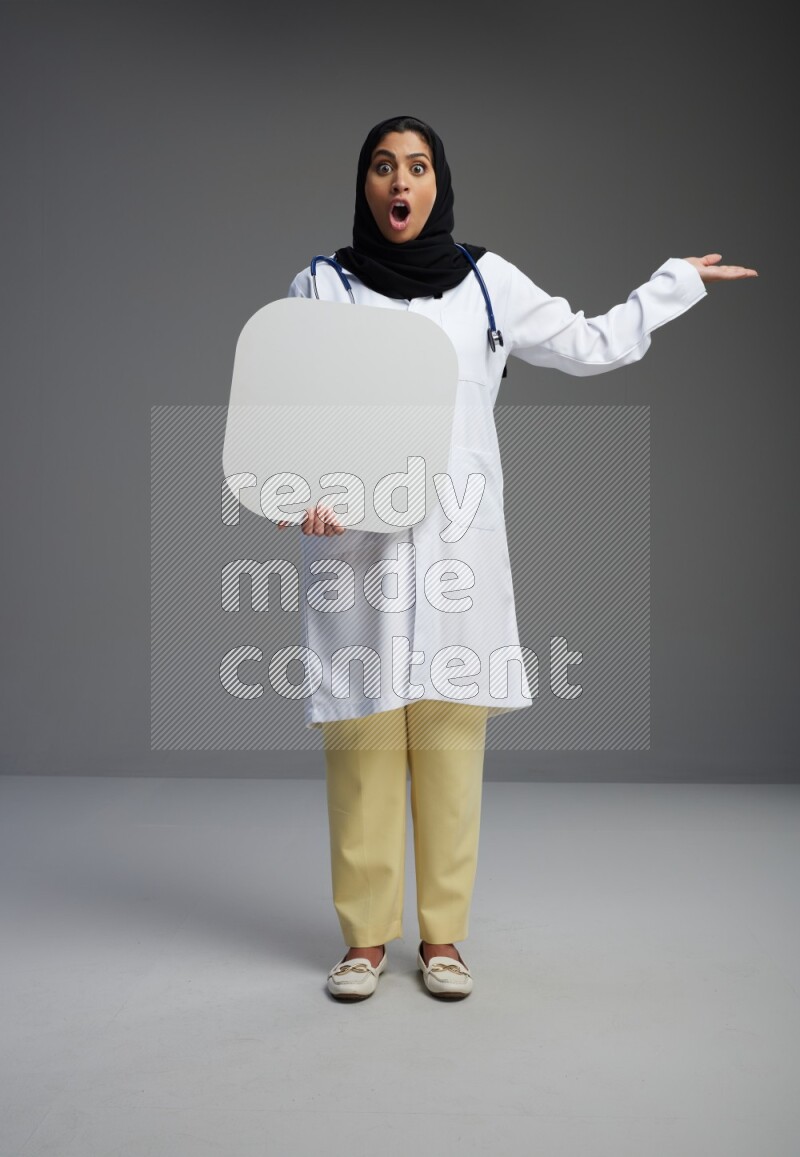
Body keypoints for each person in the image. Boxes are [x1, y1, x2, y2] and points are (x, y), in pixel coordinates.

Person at [278, 115, 757, 1001]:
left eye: (417, 167)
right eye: (384, 167)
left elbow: (589, 343)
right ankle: (363, 943)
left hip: (458, 548)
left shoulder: (485, 285)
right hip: (358, 558)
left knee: (452, 751)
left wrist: (672, 285)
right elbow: (288, 409)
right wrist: (293, 492)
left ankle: (444, 939)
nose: (400, 183)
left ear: (439, 181)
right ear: (365, 184)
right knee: (364, 748)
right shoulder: (322, 286)